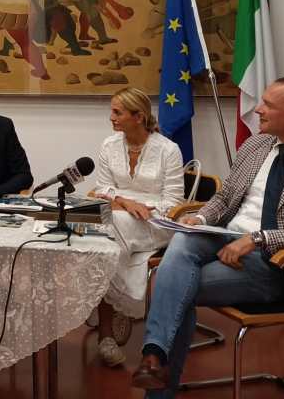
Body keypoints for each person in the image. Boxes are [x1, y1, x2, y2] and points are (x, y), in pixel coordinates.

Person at [131, 77, 284, 396]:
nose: (258, 109)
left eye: (268, 104)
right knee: (185, 240)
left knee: (176, 286)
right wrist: (200, 218)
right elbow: (226, 197)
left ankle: (155, 370)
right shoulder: (256, 146)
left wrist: (259, 239)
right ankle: (155, 356)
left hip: (279, 266)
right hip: (225, 238)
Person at [90, 87, 183, 367]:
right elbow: (102, 188)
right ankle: (108, 329)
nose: (111, 117)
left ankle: (113, 317)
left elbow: (174, 203)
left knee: (106, 229)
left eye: (117, 112)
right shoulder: (109, 145)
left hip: (157, 222)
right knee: (104, 233)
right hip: (119, 215)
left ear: (138, 117)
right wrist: (124, 202)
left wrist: (137, 207)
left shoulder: (168, 150)